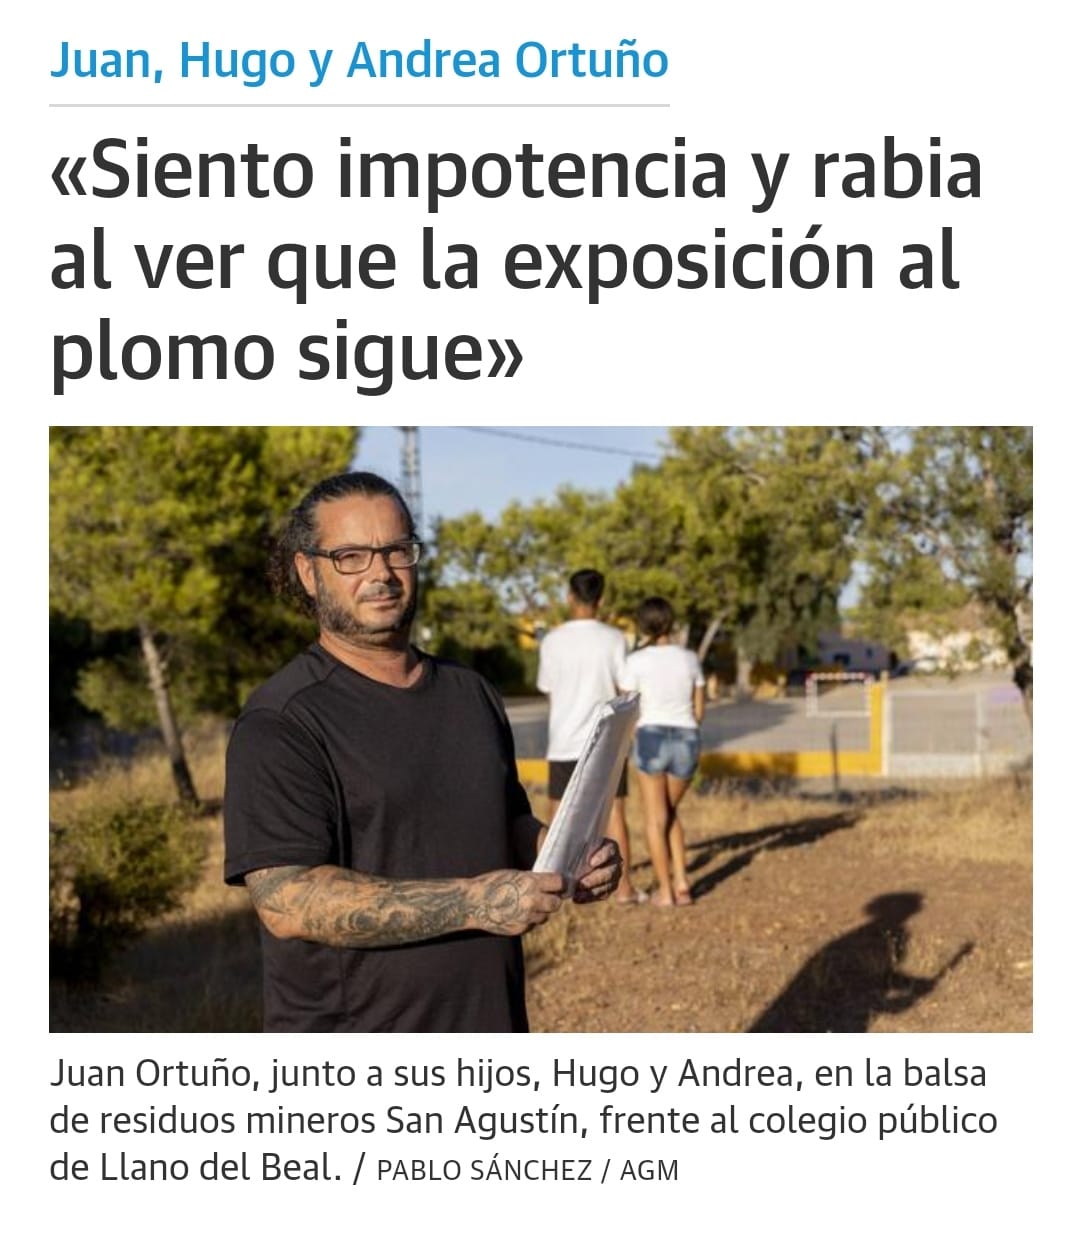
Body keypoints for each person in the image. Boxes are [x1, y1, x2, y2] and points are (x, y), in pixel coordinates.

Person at [223, 471, 620, 1032]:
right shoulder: (282, 722)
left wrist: (566, 855)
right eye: (352, 557)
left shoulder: (470, 692)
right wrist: (474, 903)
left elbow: (505, 820)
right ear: (308, 572)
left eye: (396, 551)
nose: (380, 573)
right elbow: (286, 899)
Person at [536, 569, 640, 904]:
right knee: (616, 814)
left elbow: (549, 691)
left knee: (556, 818)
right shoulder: (614, 639)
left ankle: (553, 889)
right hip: (604, 743)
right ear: (602, 600)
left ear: (569, 597)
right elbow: (626, 690)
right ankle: (624, 890)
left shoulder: (551, 640)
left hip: (563, 739)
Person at [619, 597, 706, 908]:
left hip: (651, 737)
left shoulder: (635, 662)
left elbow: (626, 708)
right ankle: (683, 884)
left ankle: (666, 892)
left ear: (642, 625)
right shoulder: (690, 658)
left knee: (655, 819)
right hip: (686, 738)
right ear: (671, 622)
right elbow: (699, 711)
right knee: (669, 812)